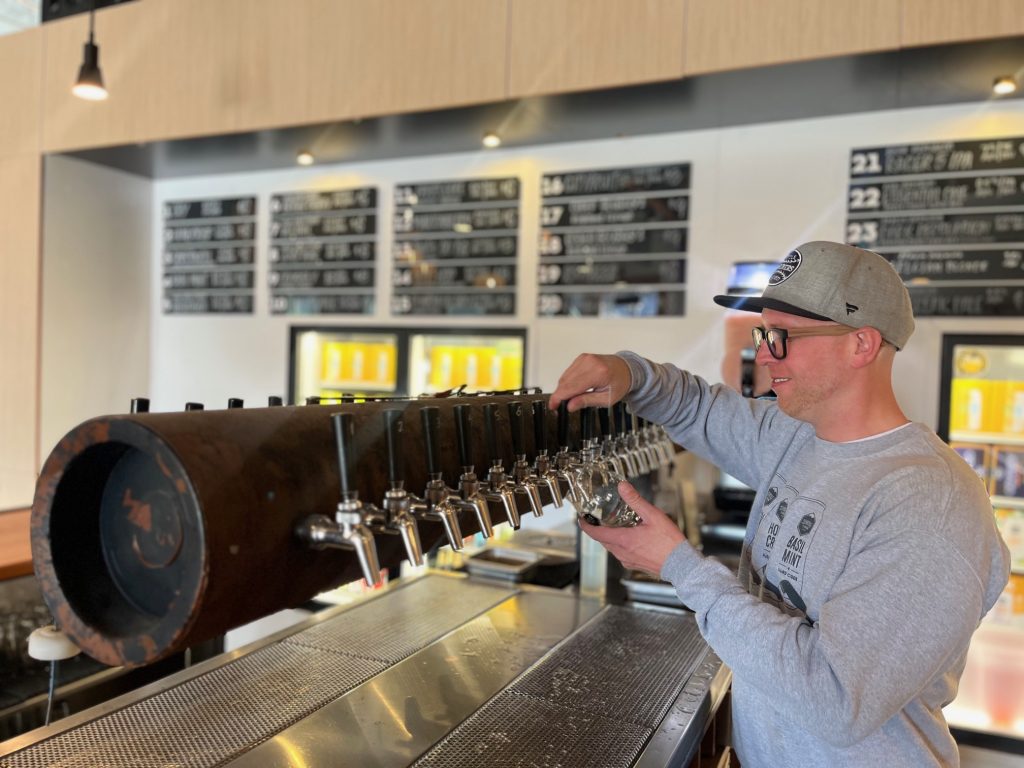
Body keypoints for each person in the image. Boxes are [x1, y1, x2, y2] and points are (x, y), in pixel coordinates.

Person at [549, 241, 1010, 767]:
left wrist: (674, 563)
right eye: (762, 333)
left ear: (861, 344)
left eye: (781, 336)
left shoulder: (930, 504)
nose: (763, 354)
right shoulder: (793, 435)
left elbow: (834, 699)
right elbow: (696, 406)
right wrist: (628, 372)